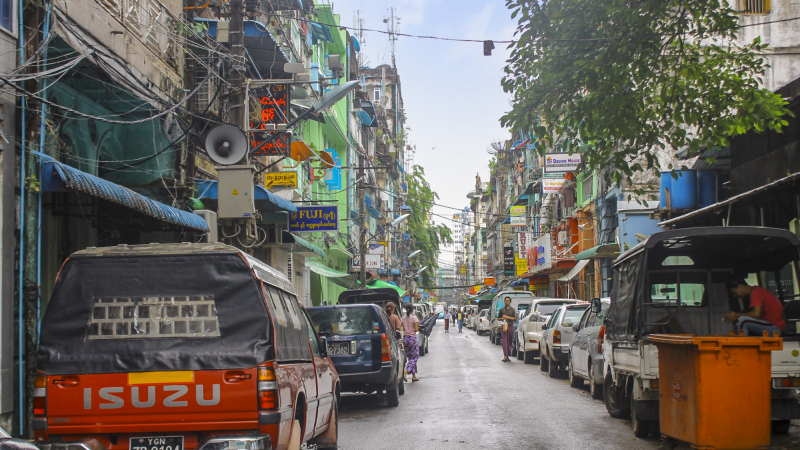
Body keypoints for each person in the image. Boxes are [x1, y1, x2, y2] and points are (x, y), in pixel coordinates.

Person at [401, 304, 421, 382]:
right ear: (412, 309)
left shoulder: (403, 318)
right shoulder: (414, 318)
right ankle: (406, 371)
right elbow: (416, 329)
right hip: (412, 338)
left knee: (410, 357)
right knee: (415, 356)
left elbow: (401, 327)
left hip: (405, 338)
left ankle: (414, 376)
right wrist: (418, 327)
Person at [498, 297, 517, 362]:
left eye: (508, 301)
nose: (506, 302)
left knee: (509, 340)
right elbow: (499, 318)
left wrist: (507, 317)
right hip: (504, 326)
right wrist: (502, 318)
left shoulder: (512, 310)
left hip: (510, 326)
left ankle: (508, 355)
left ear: (510, 302)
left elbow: (514, 318)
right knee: (504, 341)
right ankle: (505, 355)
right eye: (505, 301)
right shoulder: (501, 310)